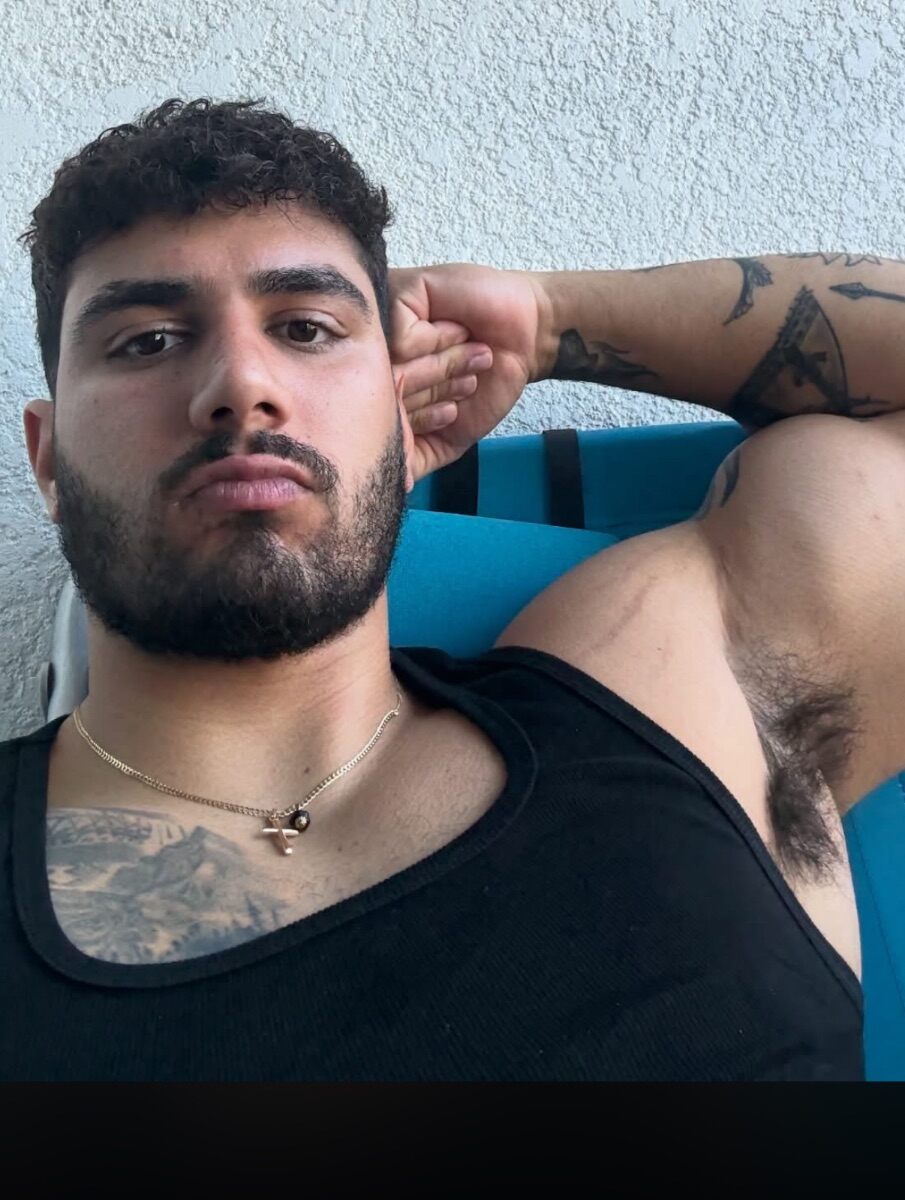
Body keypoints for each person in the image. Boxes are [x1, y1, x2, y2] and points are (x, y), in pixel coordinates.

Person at [2, 97, 904, 1081]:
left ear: (402, 415)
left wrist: (546, 322)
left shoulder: (681, 702)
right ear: (48, 462)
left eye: (305, 327)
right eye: (145, 340)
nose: (240, 384)